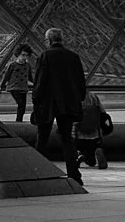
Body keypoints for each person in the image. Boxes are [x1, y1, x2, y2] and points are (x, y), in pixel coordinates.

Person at [31, 27, 86, 185]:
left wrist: (36, 100)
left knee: (42, 138)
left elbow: (40, 82)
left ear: (48, 40)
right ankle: (74, 174)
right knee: (67, 139)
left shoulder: (45, 55)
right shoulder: (73, 57)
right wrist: (78, 99)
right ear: (62, 40)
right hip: (68, 104)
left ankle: (37, 172)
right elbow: (80, 82)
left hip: (48, 104)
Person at [75, 85, 111, 172]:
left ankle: (80, 155)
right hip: (94, 132)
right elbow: (103, 112)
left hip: (79, 133)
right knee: (92, 156)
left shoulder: (73, 96)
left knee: (89, 159)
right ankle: (95, 152)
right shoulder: (93, 96)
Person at [2, 43, 33, 122]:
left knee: (23, 106)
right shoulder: (12, 65)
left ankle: (19, 120)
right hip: (14, 88)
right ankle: (18, 121)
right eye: (23, 55)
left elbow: (30, 77)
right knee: (21, 104)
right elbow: (6, 76)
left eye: (26, 55)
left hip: (23, 88)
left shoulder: (28, 65)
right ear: (18, 54)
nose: (24, 57)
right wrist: (1, 86)